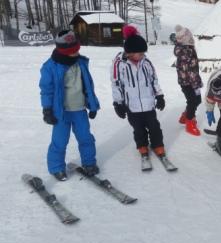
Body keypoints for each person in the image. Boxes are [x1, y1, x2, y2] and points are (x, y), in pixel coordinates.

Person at [39, 30, 100, 181]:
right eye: (72, 51)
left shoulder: (81, 63)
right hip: (61, 112)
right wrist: (47, 110)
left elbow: (88, 86)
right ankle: (56, 168)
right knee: (59, 141)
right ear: (63, 51)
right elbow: (46, 90)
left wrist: (92, 106)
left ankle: (89, 163)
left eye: (77, 49)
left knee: (86, 138)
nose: (76, 53)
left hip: (79, 110)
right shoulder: (50, 66)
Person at [111, 25, 166, 168]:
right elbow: (116, 85)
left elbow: (154, 79)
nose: (142, 55)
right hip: (132, 107)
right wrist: (118, 103)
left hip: (148, 104)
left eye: (143, 53)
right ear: (130, 53)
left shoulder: (146, 63)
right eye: (139, 53)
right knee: (138, 129)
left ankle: (158, 145)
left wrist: (159, 96)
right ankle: (142, 146)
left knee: (154, 126)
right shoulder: (120, 65)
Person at [171, 25, 203, 136]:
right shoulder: (185, 51)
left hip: (192, 81)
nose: (192, 38)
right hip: (187, 82)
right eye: (189, 37)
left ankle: (186, 115)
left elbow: (193, 69)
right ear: (185, 39)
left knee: (197, 100)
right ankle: (190, 122)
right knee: (193, 101)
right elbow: (189, 71)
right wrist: (196, 84)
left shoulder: (189, 49)